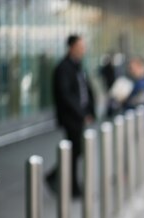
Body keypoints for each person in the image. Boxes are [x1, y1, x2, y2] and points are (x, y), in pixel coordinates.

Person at [46, 34, 95, 197]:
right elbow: (66, 95)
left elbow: (85, 90)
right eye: (80, 46)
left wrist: (90, 110)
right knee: (73, 150)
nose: (83, 49)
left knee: (75, 150)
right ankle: (71, 187)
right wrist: (82, 114)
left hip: (79, 116)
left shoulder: (78, 66)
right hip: (70, 117)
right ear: (71, 47)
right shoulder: (63, 68)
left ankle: (55, 176)